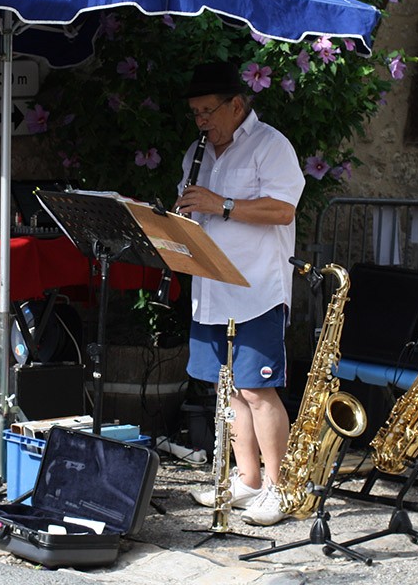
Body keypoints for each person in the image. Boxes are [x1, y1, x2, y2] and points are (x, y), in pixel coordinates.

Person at [176, 60, 304, 527]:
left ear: (237, 104)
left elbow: (283, 210)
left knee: (256, 388)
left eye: (208, 111)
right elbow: (194, 213)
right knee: (227, 390)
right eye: (195, 113)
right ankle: (247, 479)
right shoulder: (198, 151)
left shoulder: (271, 146)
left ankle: (279, 487)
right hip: (210, 288)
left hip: (256, 288)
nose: (202, 121)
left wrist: (220, 204)